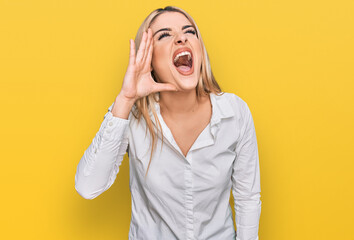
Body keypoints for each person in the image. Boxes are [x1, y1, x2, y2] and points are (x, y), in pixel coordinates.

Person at [75, 6, 262, 240]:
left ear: (199, 49)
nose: (181, 38)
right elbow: (87, 186)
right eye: (164, 35)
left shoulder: (234, 113)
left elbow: (248, 198)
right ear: (149, 60)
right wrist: (125, 99)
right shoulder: (133, 117)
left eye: (189, 31)